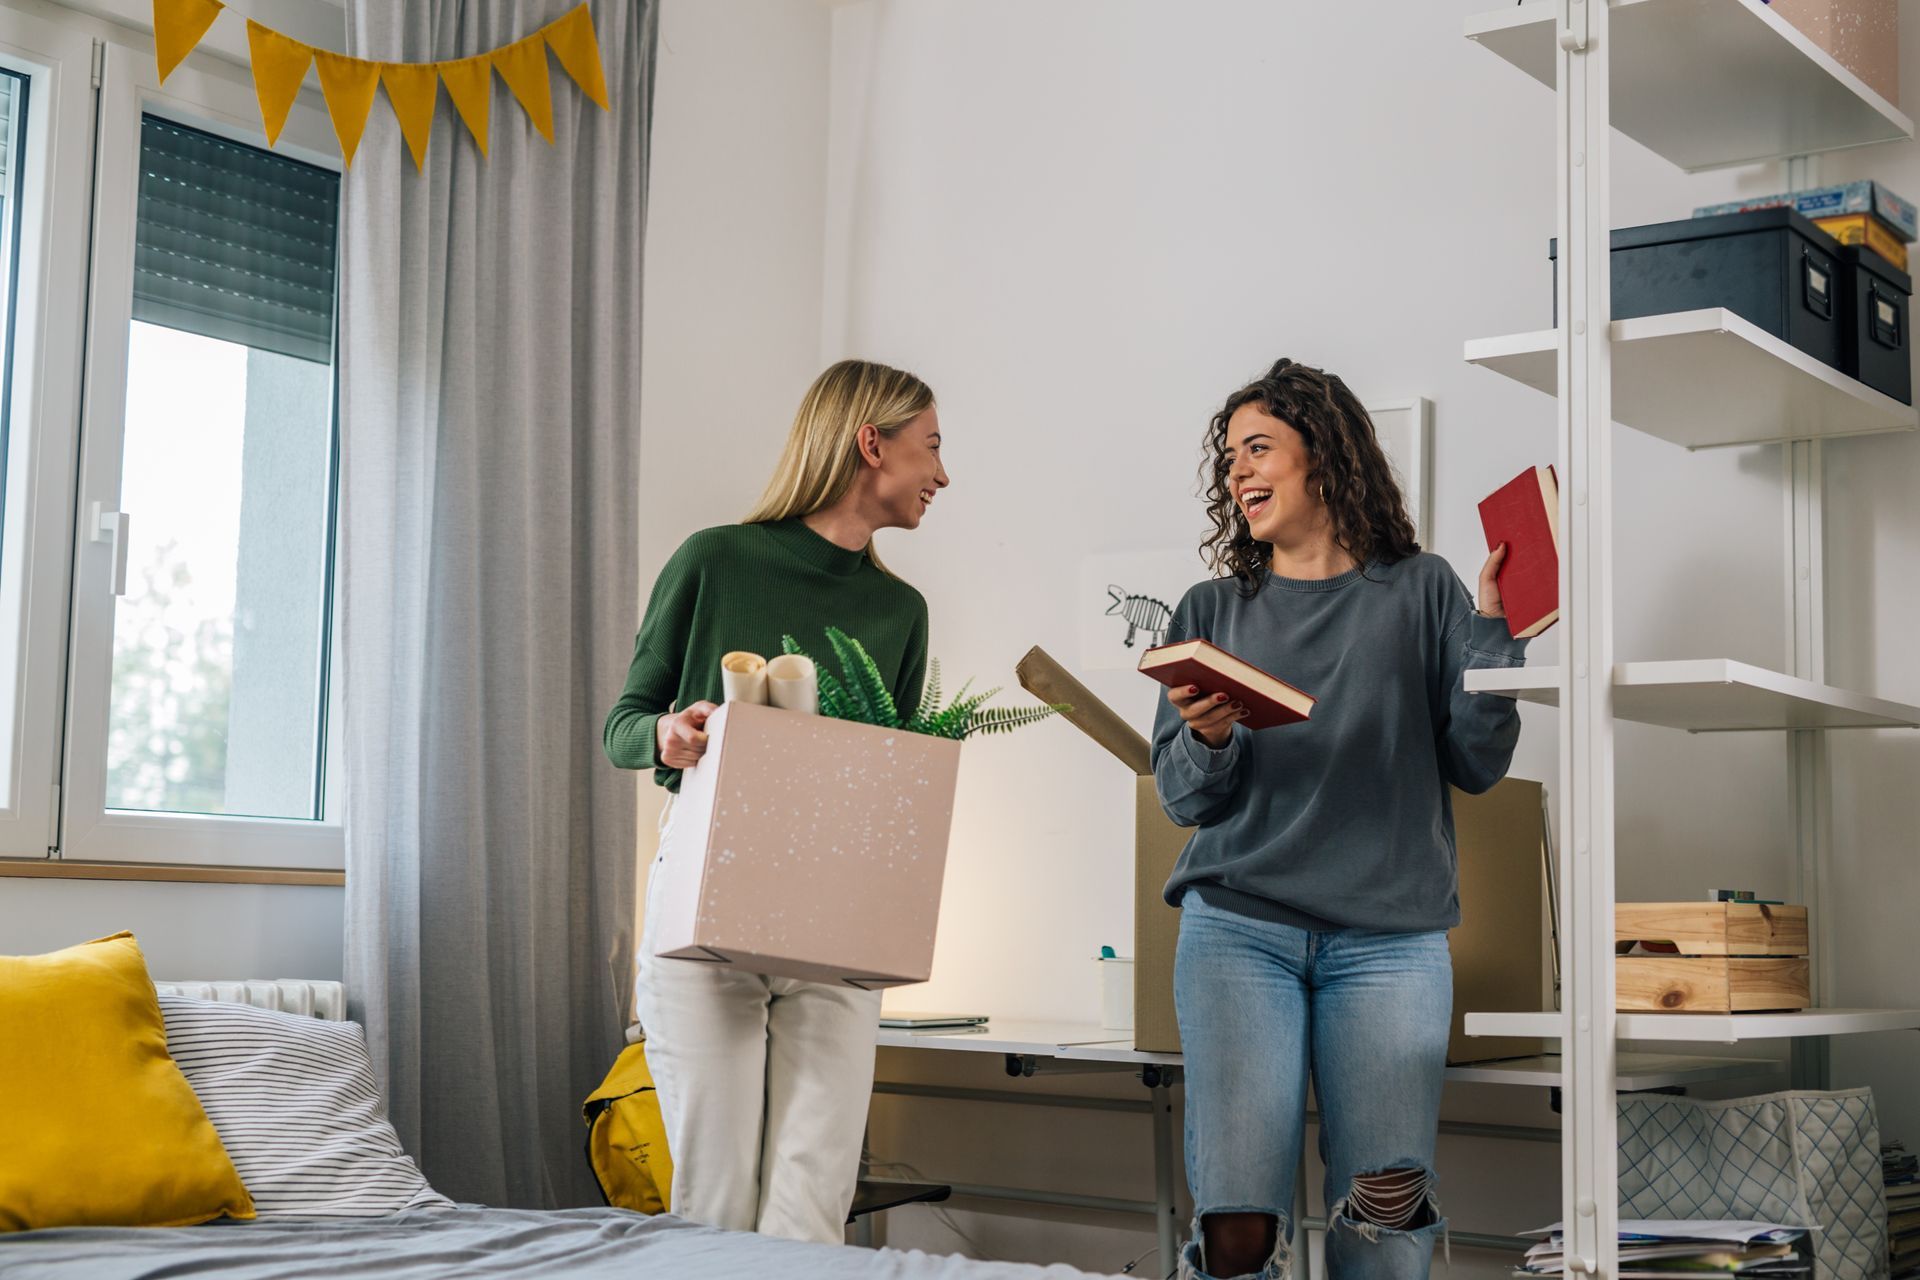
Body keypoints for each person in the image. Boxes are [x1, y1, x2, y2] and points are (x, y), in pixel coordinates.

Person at [1153, 358, 1527, 1280]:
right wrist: (1208, 738)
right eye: (1230, 456)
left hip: (1390, 944)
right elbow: (1185, 798)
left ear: (1325, 454)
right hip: (1239, 932)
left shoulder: (1426, 590)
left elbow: (1479, 764)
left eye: (1259, 448)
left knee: (1387, 1210)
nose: (1238, 472)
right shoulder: (1210, 611)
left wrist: (1493, 631)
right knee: (1236, 1225)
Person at [602, 358, 949, 1242]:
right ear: (872, 444)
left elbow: (884, 774)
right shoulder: (715, 560)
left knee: (812, 1201)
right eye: (931, 447)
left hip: (836, 908)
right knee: (714, 1197)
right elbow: (622, 727)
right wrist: (671, 737)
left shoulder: (900, 610)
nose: (942, 475)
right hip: (706, 885)